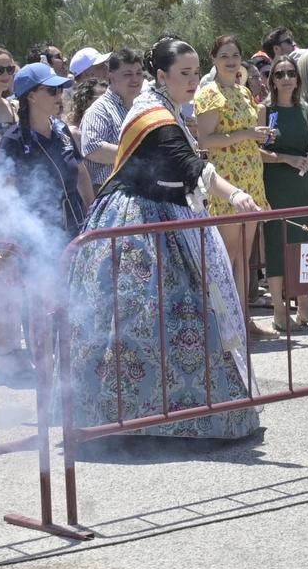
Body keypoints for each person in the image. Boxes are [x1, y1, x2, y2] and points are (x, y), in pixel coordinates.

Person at [64, 37, 261, 439]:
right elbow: (190, 165)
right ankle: (134, 421)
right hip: (138, 221)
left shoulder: (166, 107)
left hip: (169, 212)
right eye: (184, 74)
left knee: (186, 315)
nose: (192, 81)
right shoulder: (152, 114)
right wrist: (236, 194)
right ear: (161, 76)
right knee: (135, 319)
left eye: (194, 73)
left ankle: (188, 414)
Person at [192, 36, 275, 320]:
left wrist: (259, 135)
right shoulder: (208, 93)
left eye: (235, 55)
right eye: (224, 55)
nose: (231, 60)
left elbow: (248, 131)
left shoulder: (243, 91)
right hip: (227, 180)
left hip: (251, 176)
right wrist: (247, 134)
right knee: (227, 253)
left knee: (244, 253)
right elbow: (205, 139)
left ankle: (242, 318)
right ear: (214, 59)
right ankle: (223, 319)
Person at [259, 53, 308, 332]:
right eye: (280, 74)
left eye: (291, 73)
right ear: (272, 79)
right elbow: (259, 151)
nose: (286, 79)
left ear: (298, 78)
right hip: (277, 183)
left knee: (304, 243)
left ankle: (305, 307)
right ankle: (278, 309)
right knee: (276, 243)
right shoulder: (267, 111)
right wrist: (285, 158)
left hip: (304, 183)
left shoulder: (304, 107)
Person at [0, 62, 90, 237]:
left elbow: (81, 173)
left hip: (77, 230)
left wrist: (93, 218)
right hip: (39, 238)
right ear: (31, 96)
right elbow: (5, 198)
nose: (59, 95)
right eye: (52, 90)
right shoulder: (13, 140)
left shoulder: (61, 128)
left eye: (60, 90)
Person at [79, 46, 146, 168]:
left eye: (139, 73)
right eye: (127, 74)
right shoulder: (100, 110)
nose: (135, 79)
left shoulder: (146, 106)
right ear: (111, 77)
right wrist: (140, 155)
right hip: (107, 186)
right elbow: (92, 148)